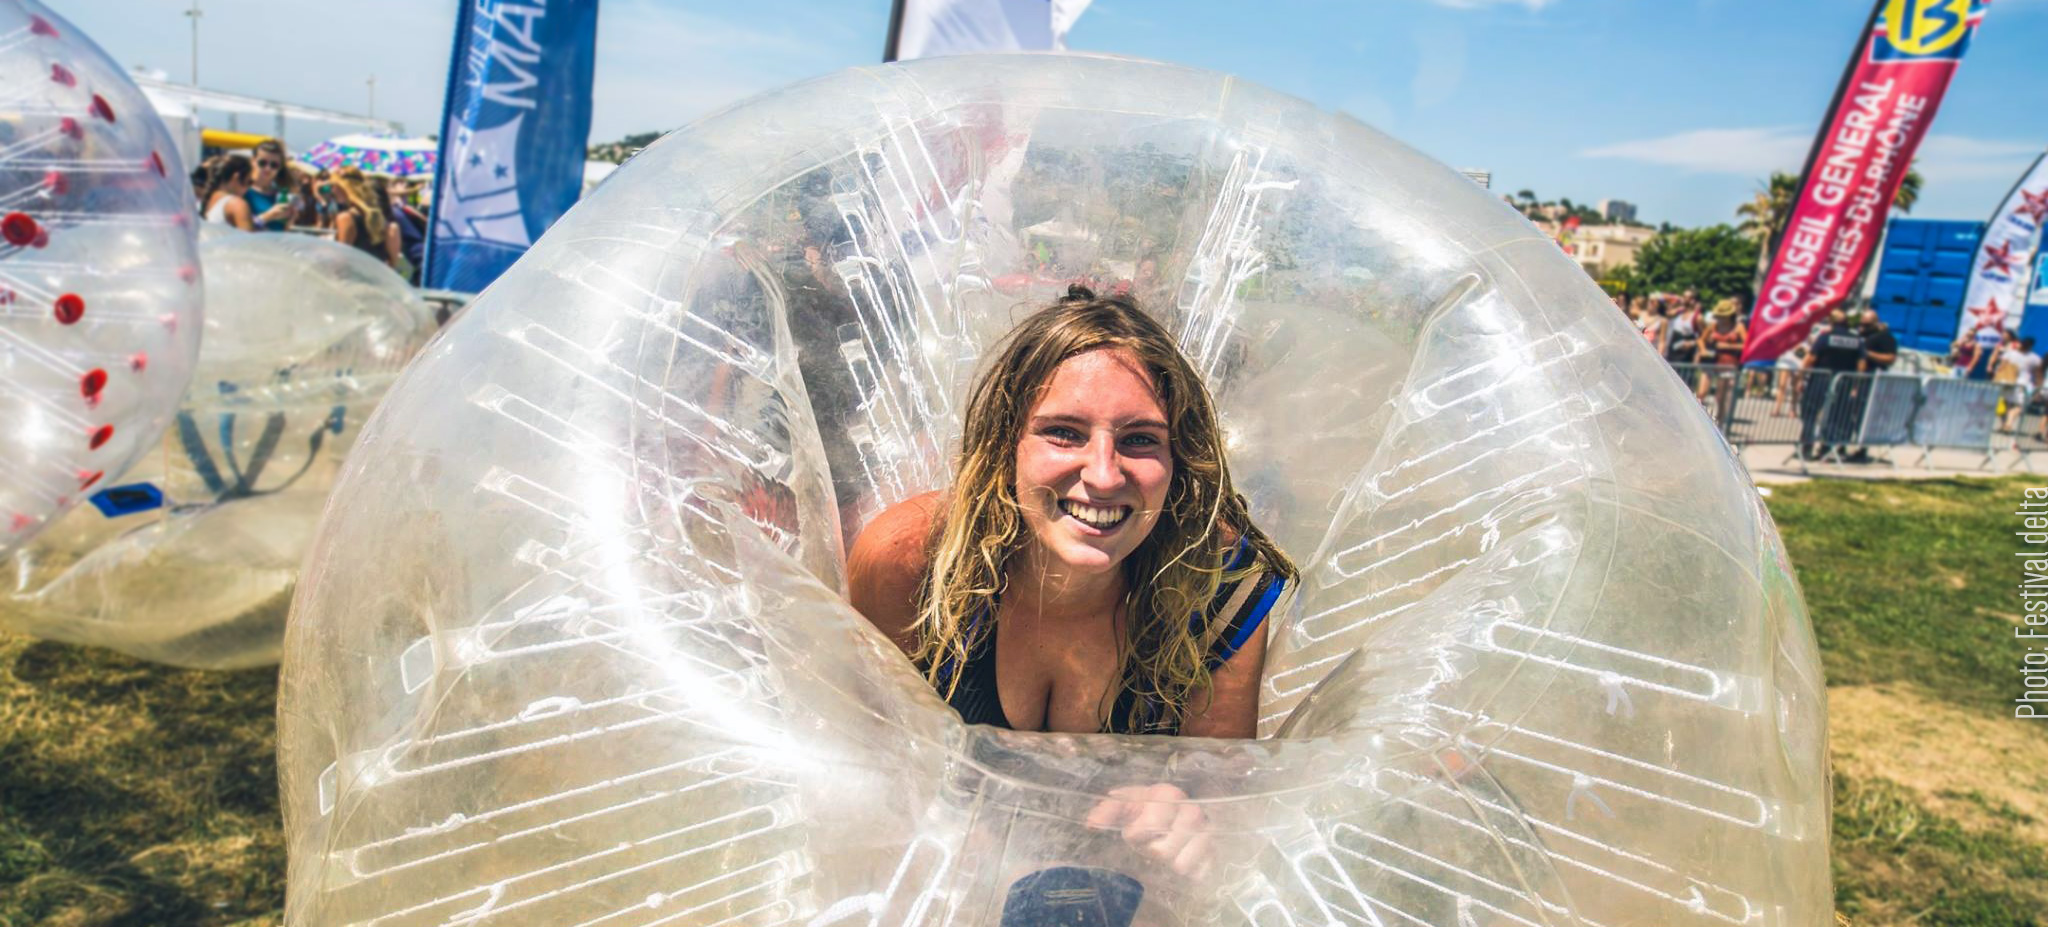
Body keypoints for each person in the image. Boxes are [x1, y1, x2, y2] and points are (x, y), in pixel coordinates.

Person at [847, 287, 1296, 875]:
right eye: (1063, 432)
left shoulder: (1218, 591)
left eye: (1139, 439)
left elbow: (1220, 801)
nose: (1104, 475)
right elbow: (865, 762)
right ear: (1005, 443)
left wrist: (1192, 820)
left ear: (1178, 460)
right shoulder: (913, 562)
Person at [1799, 310, 1866, 461]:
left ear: (1832, 322)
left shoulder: (1825, 337)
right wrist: (1856, 382)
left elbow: (1811, 358)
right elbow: (1861, 363)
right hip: (1844, 383)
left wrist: (1801, 376)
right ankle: (1827, 449)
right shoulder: (1856, 340)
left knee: (1809, 414)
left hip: (1820, 380)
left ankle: (1807, 448)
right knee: (1836, 416)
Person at [327, 166, 404, 272]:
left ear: (343, 187)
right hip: (376, 278)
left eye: (333, 186)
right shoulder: (378, 218)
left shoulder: (346, 218)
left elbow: (342, 258)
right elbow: (392, 262)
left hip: (353, 278)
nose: (332, 190)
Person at [1694, 298, 1746, 422]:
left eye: (1723, 316)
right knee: (1701, 392)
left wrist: (1728, 346)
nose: (1721, 318)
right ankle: (1697, 419)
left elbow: (1746, 345)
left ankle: (1720, 421)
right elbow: (1701, 339)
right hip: (1711, 361)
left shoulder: (1738, 327)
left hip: (1727, 363)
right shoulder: (1713, 326)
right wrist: (1702, 350)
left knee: (1720, 397)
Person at [244, 140, 297, 232]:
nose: (268, 168)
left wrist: (290, 219)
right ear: (253, 161)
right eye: (262, 163)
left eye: (274, 165)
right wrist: (268, 216)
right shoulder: (242, 190)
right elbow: (241, 229)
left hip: (275, 245)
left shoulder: (281, 195)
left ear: (280, 168)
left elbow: (282, 231)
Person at [200, 154, 257, 231]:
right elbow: (250, 242)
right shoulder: (236, 204)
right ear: (236, 177)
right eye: (249, 182)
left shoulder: (209, 201)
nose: (249, 187)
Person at [2001, 336, 2042, 433]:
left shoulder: (2010, 354)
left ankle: (2006, 424)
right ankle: (2009, 421)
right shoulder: (2034, 358)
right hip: (2024, 383)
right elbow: (2037, 373)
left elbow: (2002, 366)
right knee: (2021, 405)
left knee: (2008, 402)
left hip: (2009, 380)